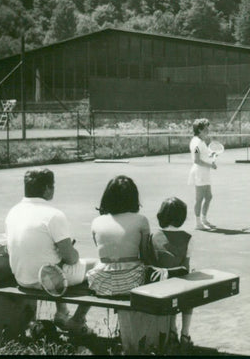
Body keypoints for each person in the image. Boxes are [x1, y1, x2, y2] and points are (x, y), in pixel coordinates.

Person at [5, 168, 96, 334]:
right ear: (47, 188)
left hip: (22, 278)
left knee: (52, 262)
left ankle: (62, 313)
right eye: (52, 186)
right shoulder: (54, 215)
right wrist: (72, 251)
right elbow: (71, 259)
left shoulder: (13, 212)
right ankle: (77, 320)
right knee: (98, 266)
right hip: (44, 281)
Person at [86, 175, 151, 296]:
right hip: (133, 281)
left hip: (101, 282)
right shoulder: (141, 220)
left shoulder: (96, 221)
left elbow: (102, 254)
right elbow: (145, 255)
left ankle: (80, 314)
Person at [146, 197, 194, 351]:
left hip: (157, 285)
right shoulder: (188, 238)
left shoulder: (152, 236)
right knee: (189, 286)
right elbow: (185, 267)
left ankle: (172, 330)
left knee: (171, 285)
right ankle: (185, 334)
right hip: (178, 285)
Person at [188, 118, 217, 231]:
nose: (208, 130)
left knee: (209, 197)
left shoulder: (201, 141)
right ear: (199, 130)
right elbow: (196, 160)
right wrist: (211, 165)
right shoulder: (196, 143)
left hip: (204, 172)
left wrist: (211, 154)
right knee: (199, 199)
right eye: (205, 128)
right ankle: (198, 223)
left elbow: (204, 154)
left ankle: (204, 220)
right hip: (199, 173)